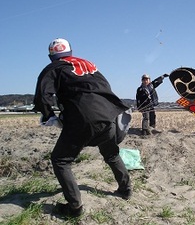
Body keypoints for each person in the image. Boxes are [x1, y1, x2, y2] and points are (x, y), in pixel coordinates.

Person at [33, 38, 132, 218]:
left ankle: (74, 207)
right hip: (107, 114)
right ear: (71, 52)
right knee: (112, 153)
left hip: (82, 118)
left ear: (51, 56)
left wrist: (49, 116)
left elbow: (43, 95)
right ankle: (125, 190)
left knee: (61, 160)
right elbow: (106, 88)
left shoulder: (54, 68)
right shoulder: (90, 65)